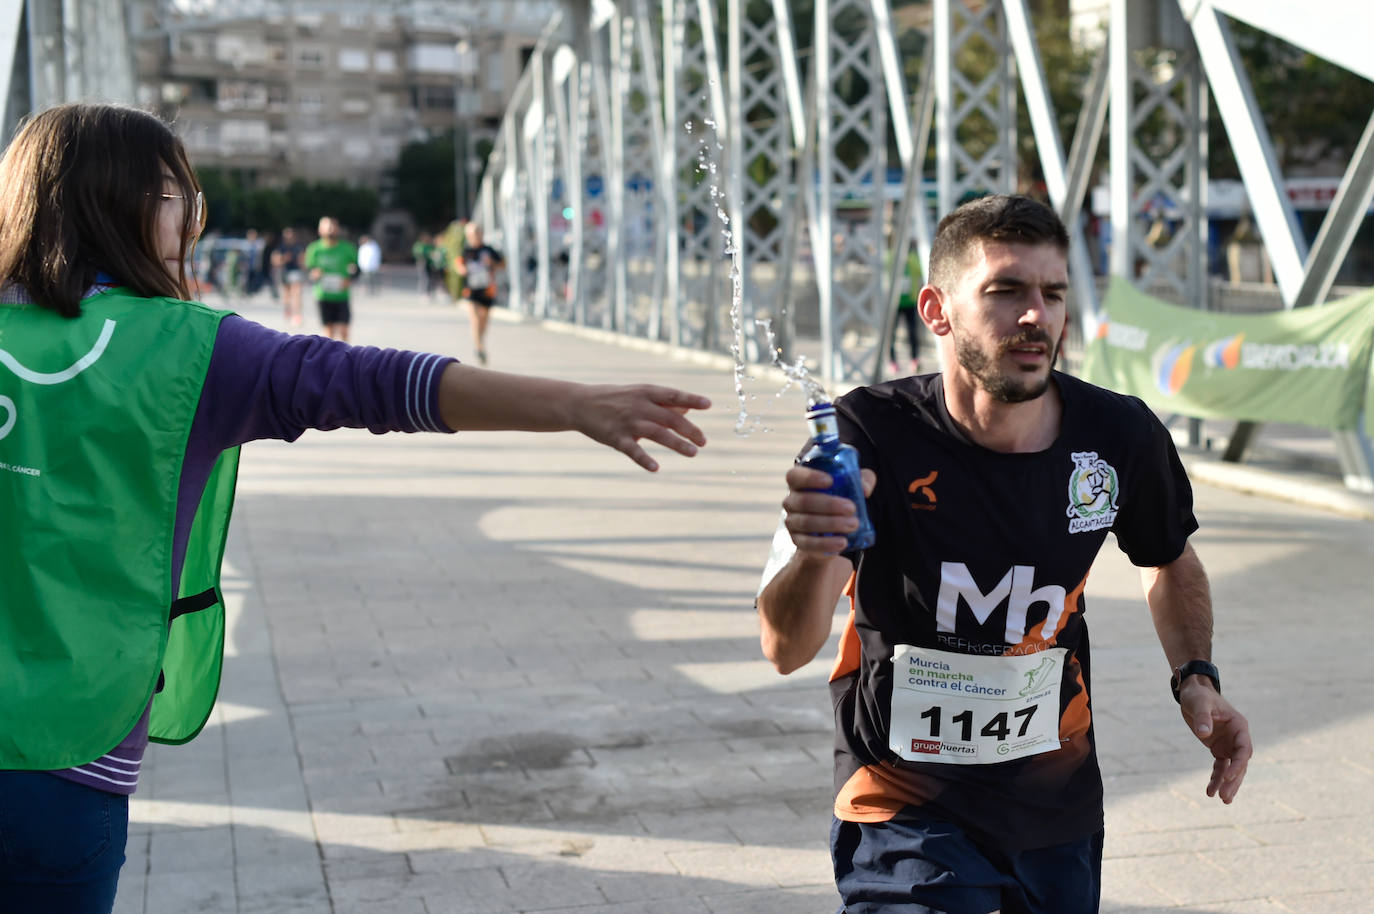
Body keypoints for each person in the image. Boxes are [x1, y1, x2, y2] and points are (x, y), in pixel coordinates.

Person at [0, 102, 712, 914]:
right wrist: (576, 404)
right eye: (175, 195)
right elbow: (378, 383)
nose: (188, 221)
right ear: (116, 200)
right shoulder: (192, 349)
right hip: (67, 752)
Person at [756, 194, 1251, 914]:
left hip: (1054, 802)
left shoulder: (1118, 436)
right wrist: (812, 550)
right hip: (903, 800)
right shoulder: (865, 436)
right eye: (1005, 291)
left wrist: (1196, 677)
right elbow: (783, 647)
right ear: (936, 310)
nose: (1035, 316)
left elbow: (1168, 559)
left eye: (1052, 294)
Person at [453, 222, 505, 366]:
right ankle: (479, 347)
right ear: (468, 236)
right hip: (472, 290)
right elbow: (458, 264)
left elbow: (502, 264)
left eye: (477, 233)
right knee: (475, 319)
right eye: (472, 234)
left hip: (487, 289)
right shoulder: (466, 251)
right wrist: (462, 269)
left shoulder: (489, 250)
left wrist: (492, 264)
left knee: (484, 320)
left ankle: (480, 341)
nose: (475, 236)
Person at [304, 216, 359, 341]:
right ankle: (331, 359)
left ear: (338, 229)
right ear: (320, 230)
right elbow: (309, 269)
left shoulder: (347, 248)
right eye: (327, 227)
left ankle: (346, 357)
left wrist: (350, 278)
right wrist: (314, 274)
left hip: (341, 295)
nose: (330, 230)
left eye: (333, 227)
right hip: (323, 295)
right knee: (329, 331)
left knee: (344, 330)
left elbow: (357, 269)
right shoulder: (314, 249)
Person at [887, 246, 922, 376]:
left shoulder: (912, 258)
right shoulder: (890, 256)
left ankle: (914, 359)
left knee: (912, 332)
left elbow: (921, 269)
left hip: (910, 302)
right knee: (891, 334)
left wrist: (908, 259)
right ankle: (892, 361)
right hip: (894, 304)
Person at [272, 226, 306, 327]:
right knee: (287, 294)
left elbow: (303, 260)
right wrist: (284, 259)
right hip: (285, 271)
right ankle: (288, 309)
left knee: (296, 292)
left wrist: (302, 261)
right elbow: (275, 261)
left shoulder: (298, 246)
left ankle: (297, 314)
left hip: (296, 272)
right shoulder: (280, 247)